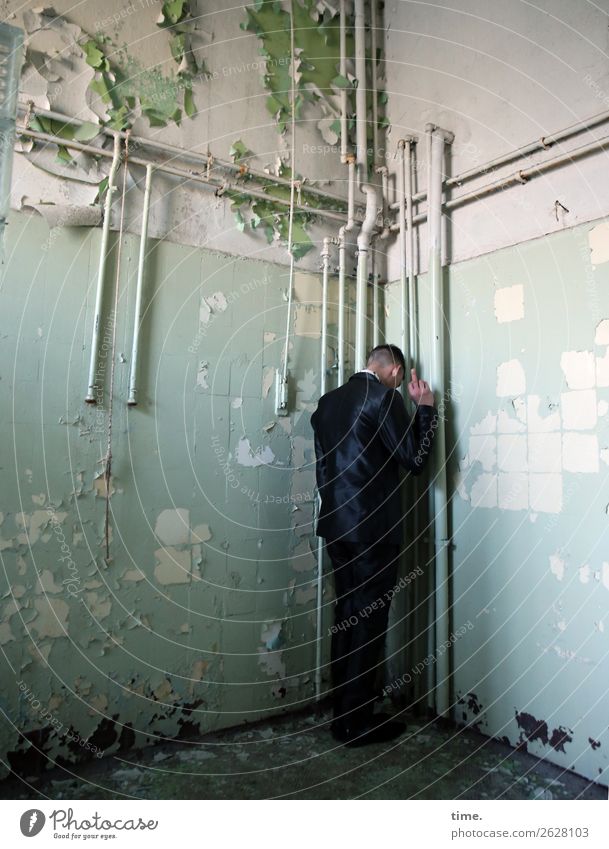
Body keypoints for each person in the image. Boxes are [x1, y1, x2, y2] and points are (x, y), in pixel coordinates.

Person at [310, 343, 437, 747]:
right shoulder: (383, 398)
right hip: (372, 530)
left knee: (346, 613)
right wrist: (427, 409)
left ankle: (342, 713)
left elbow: (323, 470)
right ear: (395, 371)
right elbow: (415, 459)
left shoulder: (327, 403)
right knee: (369, 620)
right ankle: (355, 724)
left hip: (335, 527)